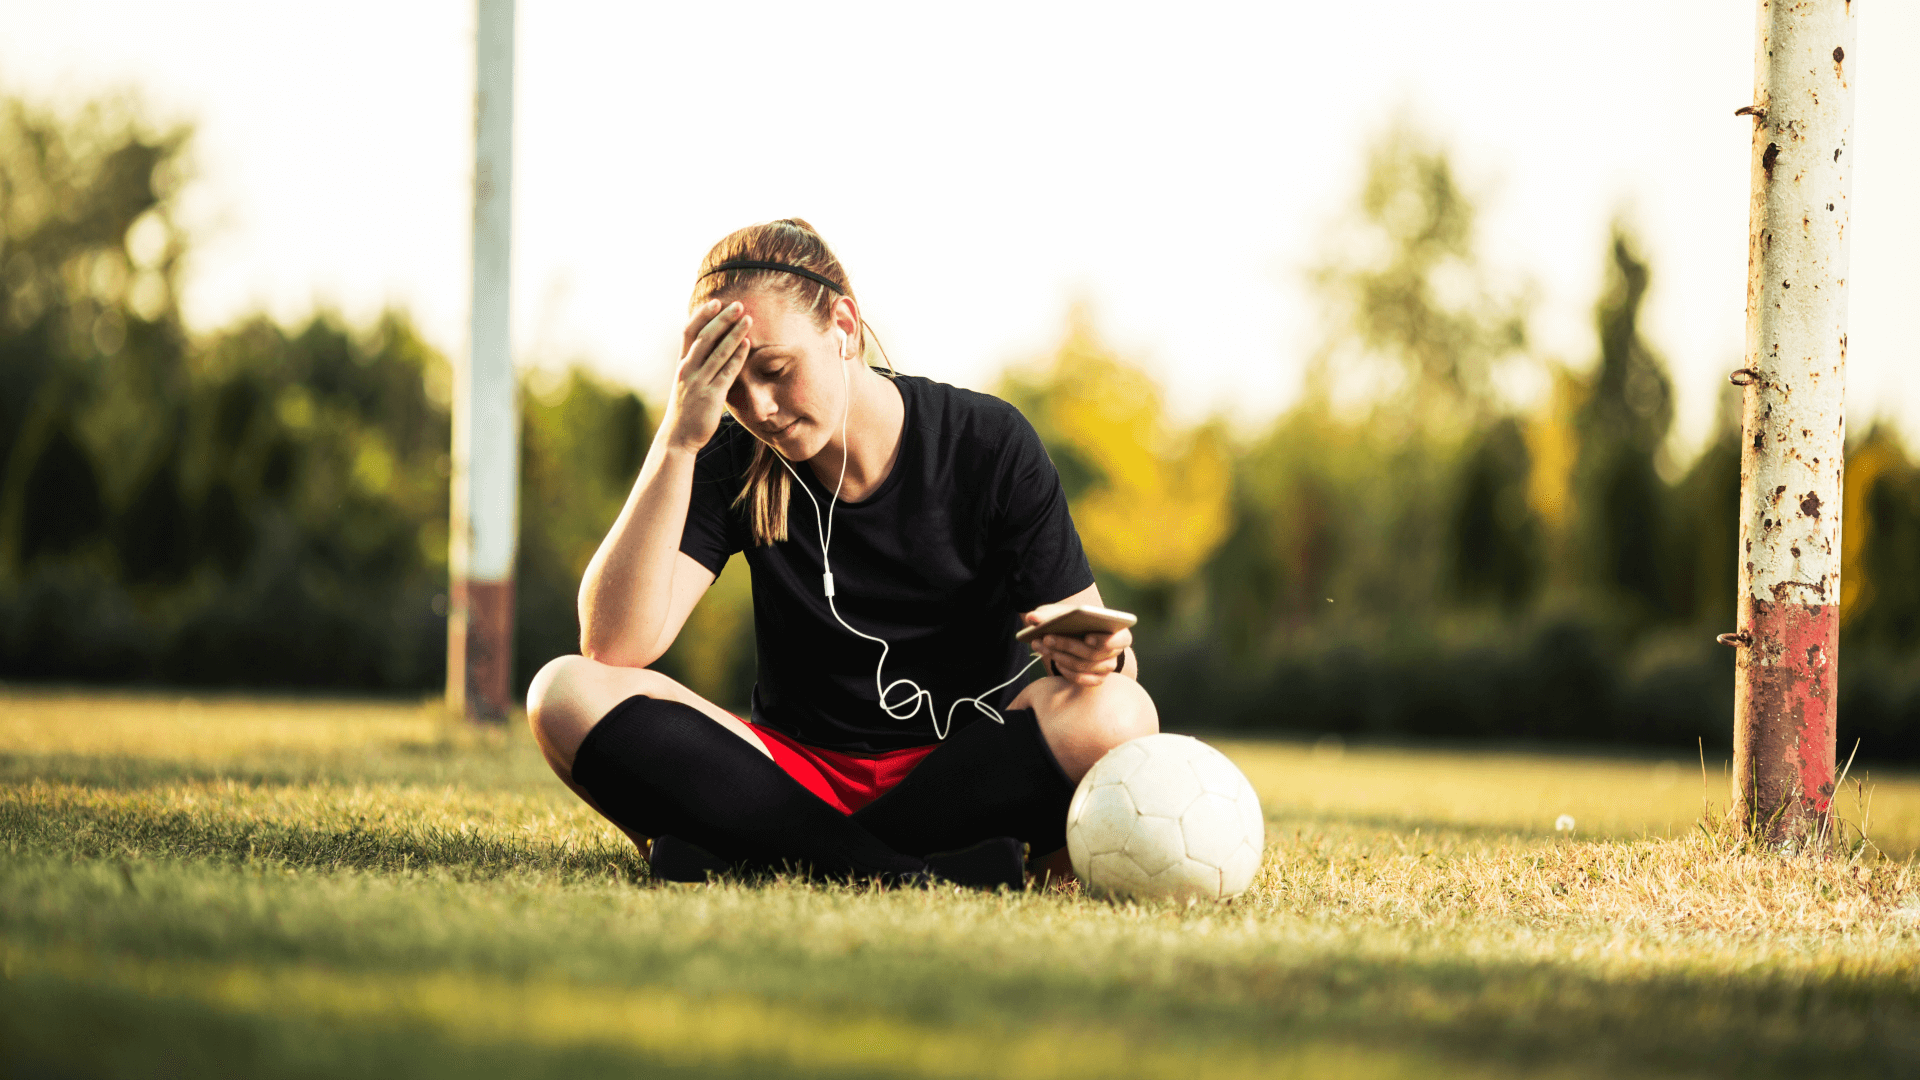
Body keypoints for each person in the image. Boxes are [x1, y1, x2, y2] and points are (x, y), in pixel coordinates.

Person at [525, 219, 1157, 888]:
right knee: (562, 692)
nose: (759, 408)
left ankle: (757, 859)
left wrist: (1100, 655)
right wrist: (680, 437)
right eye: (731, 388)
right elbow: (613, 645)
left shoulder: (986, 441)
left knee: (1121, 711)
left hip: (956, 773)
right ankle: (908, 870)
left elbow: (1103, 660)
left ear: (844, 327)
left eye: (774, 370)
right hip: (784, 775)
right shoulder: (729, 454)